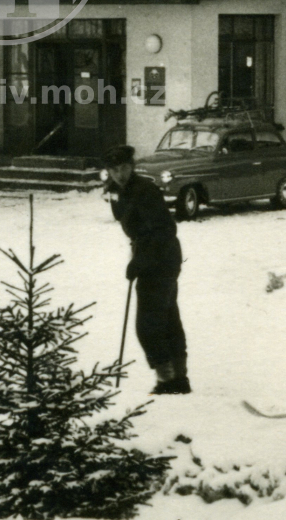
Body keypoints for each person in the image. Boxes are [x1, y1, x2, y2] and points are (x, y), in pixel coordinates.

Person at [101, 144, 189, 395]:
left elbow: (164, 230)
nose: (120, 173)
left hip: (162, 257)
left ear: (132, 166)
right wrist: (137, 253)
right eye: (114, 169)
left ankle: (168, 381)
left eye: (124, 167)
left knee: (148, 325)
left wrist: (140, 260)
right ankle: (178, 379)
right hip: (155, 255)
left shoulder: (144, 190)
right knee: (167, 318)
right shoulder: (118, 191)